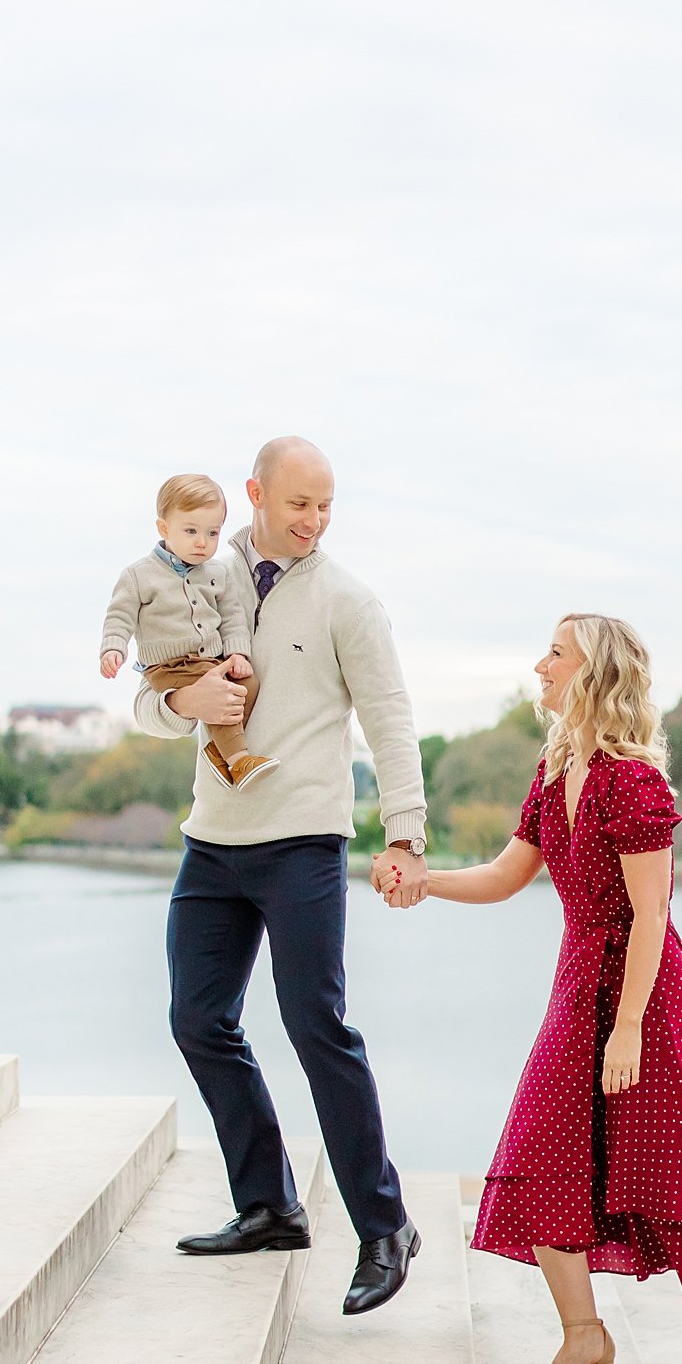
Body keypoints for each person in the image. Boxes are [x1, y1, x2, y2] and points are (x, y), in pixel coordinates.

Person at [380, 613, 682, 1364]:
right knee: (539, 1161)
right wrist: (424, 882)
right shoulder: (556, 770)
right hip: (579, 993)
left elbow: (652, 914)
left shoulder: (632, 781)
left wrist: (631, 1026)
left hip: (649, 1006)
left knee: (680, 1193)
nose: (540, 664)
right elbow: (505, 875)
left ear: (592, 672)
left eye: (556, 654)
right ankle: (583, 1338)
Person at [130, 436, 429, 1316]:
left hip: (304, 839)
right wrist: (183, 703)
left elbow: (390, 719)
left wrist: (404, 833)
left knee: (315, 1026)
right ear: (255, 494)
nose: (313, 520)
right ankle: (268, 1205)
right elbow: (149, 700)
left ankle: (384, 1226)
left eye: (326, 506)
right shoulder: (191, 583)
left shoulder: (349, 602)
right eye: (298, 504)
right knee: (198, 1019)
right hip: (212, 841)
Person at [100, 473, 277, 791]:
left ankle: (219, 750)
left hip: (209, 660)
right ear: (164, 528)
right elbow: (119, 616)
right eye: (191, 531)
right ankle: (238, 760)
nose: (202, 542)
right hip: (169, 666)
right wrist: (113, 648)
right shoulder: (139, 576)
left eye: (212, 533)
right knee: (218, 695)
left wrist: (237, 652)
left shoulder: (217, 573)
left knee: (248, 682)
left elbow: (232, 615)